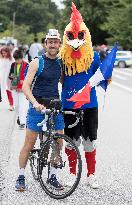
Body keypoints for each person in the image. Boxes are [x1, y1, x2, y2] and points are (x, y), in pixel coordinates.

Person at [15, 29, 65, 191]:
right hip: (37, 106)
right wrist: (35, 103)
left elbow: (65, 84)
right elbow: (25, 86)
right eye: (50, 42)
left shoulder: (61, 63)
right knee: (29, 143)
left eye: (55, 42)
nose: (52, 45)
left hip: (55, 105)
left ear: (59, 44)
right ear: (45, 44)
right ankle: (21, 176)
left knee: (59, 142)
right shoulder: (37, 62)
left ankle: (52, 176)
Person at [60, 3, 101, 188]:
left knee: (89, 142)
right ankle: (71, 173)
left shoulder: (94, 57)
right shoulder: (62, 59)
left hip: (90, 105)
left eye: (80, 35)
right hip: (69, 105)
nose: (76, 39)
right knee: (70, 142)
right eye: (71, 36)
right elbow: (57, 78)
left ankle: (91, 175)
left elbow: (102, 77)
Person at [9, 50, 29, 129]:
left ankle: (22, 122)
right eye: (16, 59)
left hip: (23, 88)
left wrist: (23, 80)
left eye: (18, 59)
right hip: (14, 88)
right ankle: (21, 117)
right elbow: (10, 75)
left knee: (22, 105)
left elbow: (29, 76)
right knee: (16, 105)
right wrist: (14, 76)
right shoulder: (13, 65)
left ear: (21, 58)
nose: (17, 61)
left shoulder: (26, 65)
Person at [0, 46, 14, 110]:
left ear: (8, 52)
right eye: (2, 53)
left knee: (9, 91)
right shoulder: (1, 59)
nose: (3, 54)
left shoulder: (11, 60)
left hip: (9, 78)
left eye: (5, 53)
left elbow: (13, 69)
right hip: (2, 78)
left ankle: (12, 105)